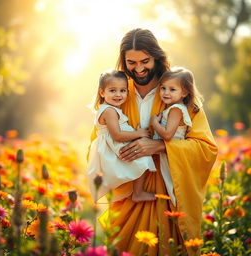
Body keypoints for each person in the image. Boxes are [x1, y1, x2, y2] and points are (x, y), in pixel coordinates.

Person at [88, 28, 217, 256]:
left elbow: (206, 148)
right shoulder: (116, 94)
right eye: (131, 62)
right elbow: (97, 143)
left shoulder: (175, 91)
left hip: (167, 195)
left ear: (157, 57)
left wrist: (160, 146)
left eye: (145, 61)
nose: (139, 69)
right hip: (129, 195)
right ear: (123, 61)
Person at [87, 69, 157, 202]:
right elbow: (117, 136)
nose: (118, 95)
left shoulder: (109, 109)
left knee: (141, 156)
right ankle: (138, 192)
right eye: (112, 90)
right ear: (102, 92)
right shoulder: (109, 111)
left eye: (122, 90)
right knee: (142, 156)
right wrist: (139, 133)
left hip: (113, 145)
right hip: (114, 147)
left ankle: (137, 192)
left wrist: (135, 134)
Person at [150, 67, 202, 207]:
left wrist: (154, 123)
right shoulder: (172, 108)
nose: (166, 93)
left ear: (184, 92)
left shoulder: (176, 110)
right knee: (169, 184)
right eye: (163, 88)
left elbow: (167, 135)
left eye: (172, 89)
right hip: (168, 154)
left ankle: (179, 216)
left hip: (171, 155)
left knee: (172, 186)